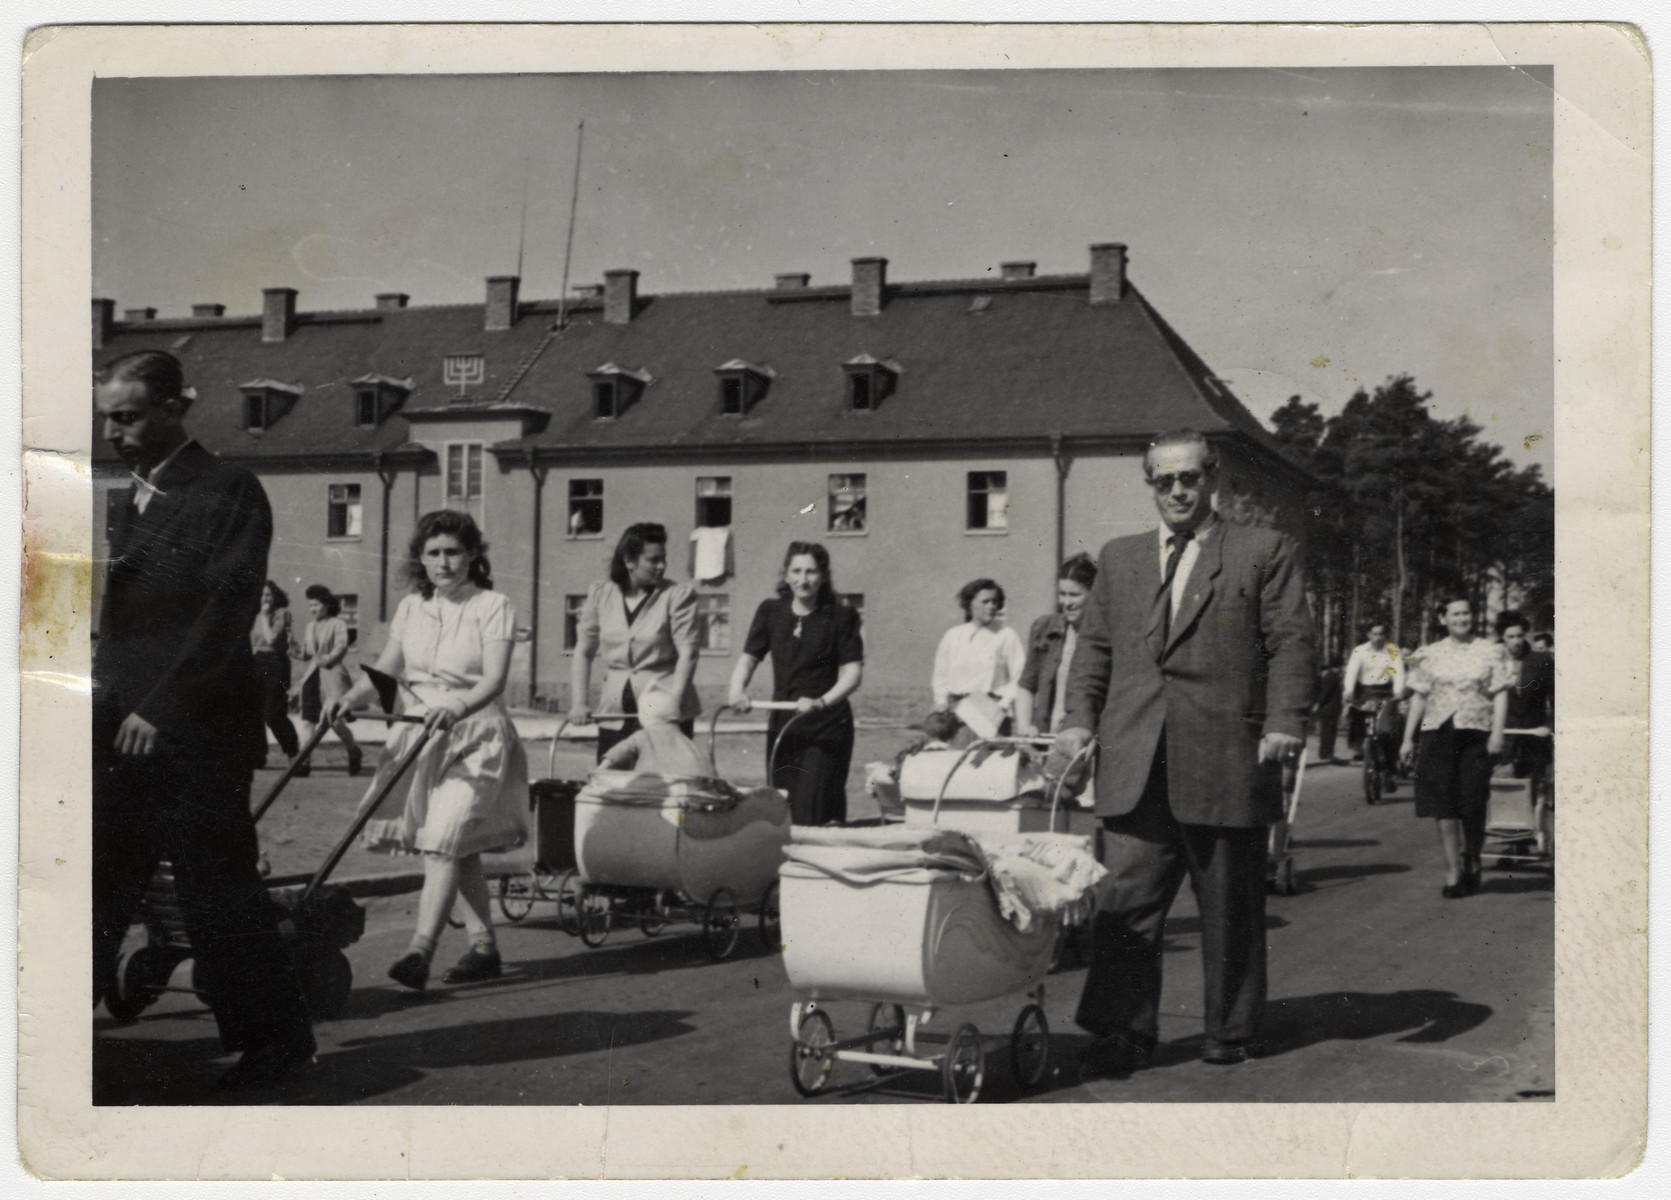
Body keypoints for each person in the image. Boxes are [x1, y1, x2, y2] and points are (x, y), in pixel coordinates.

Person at [1048, 428, 1314, 1074]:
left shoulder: (1261, 551)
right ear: (1149, 485)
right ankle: (1121, 1031)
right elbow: (1095, 652)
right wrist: (1078, 721)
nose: (1175, 490)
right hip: (1135, 756)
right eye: (1162, 480)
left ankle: (1229, 1029)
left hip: (1227, 755)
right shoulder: (1120, 558)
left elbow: (1290, 642)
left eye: (1187, 478)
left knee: (1228, 906)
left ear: (1210, 479)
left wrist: (1283, 720)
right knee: (1124, 905)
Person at [92, 349, 315, 1089]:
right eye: (106, 419)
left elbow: (226, 612)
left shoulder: (229, 490)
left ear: (174, 409)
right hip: (119, 729)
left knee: (215, 894)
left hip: (197, 733)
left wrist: (162, 707)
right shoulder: (130, 496)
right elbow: (125, 626)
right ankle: (53, 1035)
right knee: (97, 882)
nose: (112, 433)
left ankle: (274, 1043)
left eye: (126, 417)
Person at [325, 510, 530, 990]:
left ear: (473, 555)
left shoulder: (493, 605)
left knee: (443, 840)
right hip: (421, 736)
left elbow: (494, 679)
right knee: (456, 848)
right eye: (434, 553)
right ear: (421, 558)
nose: (444, 562)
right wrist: (350, 699)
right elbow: (388, 671)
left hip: (477, 736)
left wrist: (456, 706)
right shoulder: (411, 608)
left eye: (453, 552)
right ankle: (483, 948)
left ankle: (419, 951)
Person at [728, 542, 865, 826]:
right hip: (784, 725)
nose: (804, 580)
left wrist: (821, 702)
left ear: (824, 576)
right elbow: (749, 659)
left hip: (826, 725)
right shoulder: (770, 611)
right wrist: (737, 690)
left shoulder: (841, 616)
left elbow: (853, 674)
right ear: (786, 575)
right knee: (783, 806)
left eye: (812, 572)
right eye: (797, 571)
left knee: (812, 805)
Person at [1398, 598, 1515, 899]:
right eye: (1456, 614)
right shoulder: (1430, 653)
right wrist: (1408, 738)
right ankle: (1452, 870)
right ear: (1444, 618)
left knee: (1473, 802)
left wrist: (1497, 734)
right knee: (1443, 803)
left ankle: (1473, 857)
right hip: (1438, 734)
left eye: (1466, 612)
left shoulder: (1489, 651)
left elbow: (1500, 694)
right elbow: (1420, 697)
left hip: (1476, 733)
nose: (1462, 618)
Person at [570, 522, 701, 762]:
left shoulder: (676, 596)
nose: (661, 566)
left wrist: (672, 706)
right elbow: (583, 651)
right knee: (613, 783)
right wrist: (579, 703)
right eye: (653, 560)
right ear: (630, 561)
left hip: (663, 716)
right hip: (615, 715)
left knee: (661, 788)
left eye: (664, 559)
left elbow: (688, 653)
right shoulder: (601, 595)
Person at [1014, 553, 1098, 737]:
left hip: (1082, 740)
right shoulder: (1044, 629)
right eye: (1062, 594)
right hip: (1044, 737)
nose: (1066, 603)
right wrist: (1024, 727)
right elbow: (1027, 684)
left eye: (1074, 595)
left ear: (1094, 594)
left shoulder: (1105, 638)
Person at [930, 577, 1027, 731]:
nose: (992, 606)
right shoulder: (953, 635)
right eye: (985, 601)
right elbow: (940, 676)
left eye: (995, 602)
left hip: (992, 711)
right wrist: (941, 701)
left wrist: (1003, 705)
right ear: (970, 604)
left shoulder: (1007, 635)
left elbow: (1019, 676)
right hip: (955, 713)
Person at [293, 584, 363, 776]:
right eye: (310, 606)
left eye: (315, 604)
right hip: (313, 677)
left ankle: (354, 751)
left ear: (326, 604)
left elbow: (340, 647)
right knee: (308, 721)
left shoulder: (338, 624)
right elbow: (307, 653)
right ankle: (303, 761)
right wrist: (295, 650)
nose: (312, 609)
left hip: (333, 677)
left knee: (336, 722)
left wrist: (327, 659)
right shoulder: (310, 626)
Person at [1497, 610, 1555, 811]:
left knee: (1533, 793)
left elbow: (1556, 697)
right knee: (1504, 792)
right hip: (1505, 738)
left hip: (1535, 735)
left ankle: (1532, 835)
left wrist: (1549, 725)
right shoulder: (1494, 661)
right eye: (1510, 637)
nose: (1516, 641)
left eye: (1520, 636)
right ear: (1502, 638)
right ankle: (1513, 837)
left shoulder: (1541, 660)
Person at [599, 685, 714, 777]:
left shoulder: (643, 736)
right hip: (690, 785)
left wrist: (602, 768)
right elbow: (702, 762)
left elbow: (621, 751)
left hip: (655, 784)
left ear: (643, 716)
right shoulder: (684, 739)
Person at [250, 579, 303, 771]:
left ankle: (294, 753)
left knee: (273, 713)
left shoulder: (282, 614)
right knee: (255, 712)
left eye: (269, 595)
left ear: (276, 596)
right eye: (262, 595)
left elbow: (272, 639)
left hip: (276, 665)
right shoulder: (255, 616)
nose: (265, 598)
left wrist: (264, 616)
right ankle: (258, 755)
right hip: (257, 663)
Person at [1342, 622, 1403, 764]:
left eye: (1381, 634)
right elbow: (1351, 672)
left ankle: (1392, 759)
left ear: (1385, 635)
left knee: (1387, 728)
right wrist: (1349, 690)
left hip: (1385, 692)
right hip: (1364, 692)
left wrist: (1399, 691)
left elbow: (1398, 673)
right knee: (1356, 719)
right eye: (1375, 634)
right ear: (1369, 635)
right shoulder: (1360, 651)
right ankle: (1359, 750)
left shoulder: (1392, 650)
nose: (1378, 637)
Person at [1313, 657, 1345, 763]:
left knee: (1327, 732)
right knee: (1328, 732)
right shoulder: (1332, 677)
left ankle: (1325, 753)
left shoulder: (1330, 676)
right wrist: (1319, 703)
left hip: (1329, 709)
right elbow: (1325, 693)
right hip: (1329, 709)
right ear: (1339, 666)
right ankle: (1327, 753)